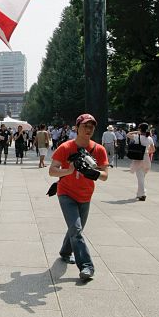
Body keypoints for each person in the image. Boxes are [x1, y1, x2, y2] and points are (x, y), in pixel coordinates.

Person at [49, 113, 109, 281]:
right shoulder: (66, 147)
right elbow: (52, 170)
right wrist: (69, 170)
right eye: (85, 126)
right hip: (66, 193)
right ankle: (87, 267)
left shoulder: (99, 149)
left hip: (85, 195)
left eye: (91, 127)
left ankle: (65, 251)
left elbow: (105, 175)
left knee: (76, 228)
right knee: (76, 229)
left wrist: (94, 173)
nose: (88, 129)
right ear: (77, 128)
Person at [127, 123, 155, 200]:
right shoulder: (149, 138)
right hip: (146, 158)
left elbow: (128, 134)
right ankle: (139, 194)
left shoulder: (137, 137)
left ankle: (142, 194)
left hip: (138, 158)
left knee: (140, 178)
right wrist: (146, 152)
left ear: (140, 129)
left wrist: (136, 132)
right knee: (142, 177)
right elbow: (153, 150)